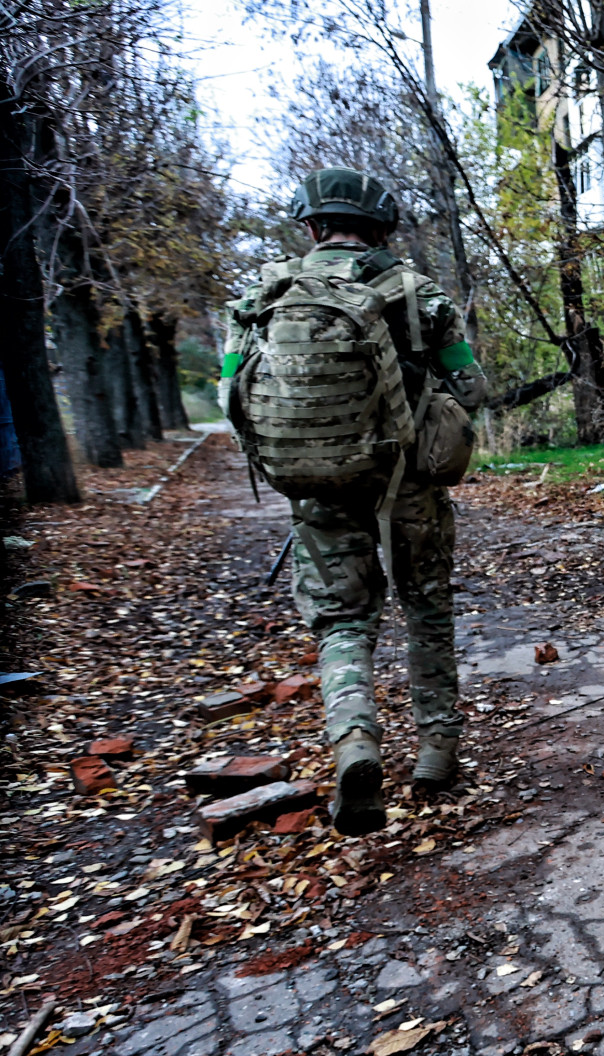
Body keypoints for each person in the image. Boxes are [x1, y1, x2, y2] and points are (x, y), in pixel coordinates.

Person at [222, 168, 489, 835]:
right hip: (409, 486)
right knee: (427, 609)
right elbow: (471, 387)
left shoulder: (263, 295)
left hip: (317, 491)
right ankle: (436, 751)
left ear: (311, 226)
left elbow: (232, 397)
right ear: (380, 229)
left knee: (342, 624)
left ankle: (356, 745)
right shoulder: (416, 292)